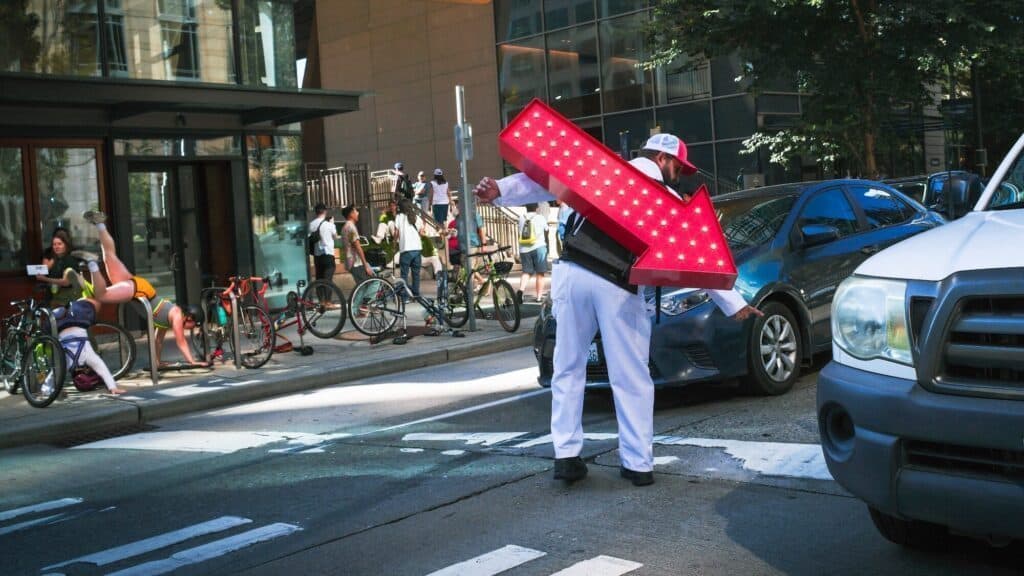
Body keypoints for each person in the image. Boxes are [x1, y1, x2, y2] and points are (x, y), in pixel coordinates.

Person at [473, 133, 763, 487]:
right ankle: (638, 464)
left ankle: (566, 456)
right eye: (678, 167)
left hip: (573, 273)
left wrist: (499, 190)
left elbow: (545, 180)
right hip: (618, 286)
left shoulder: (603, 170)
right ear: (663, 160)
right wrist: (735, 304)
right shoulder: (668, 200)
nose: (680, 175)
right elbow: (697, 261)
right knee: (631, 377)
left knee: (567, 368)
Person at [76, 210, 205, 366]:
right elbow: (181, 340)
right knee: (101, 295)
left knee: (109, 256)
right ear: (190, 318)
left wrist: (158, 363)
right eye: (194, 325)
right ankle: (92, 265)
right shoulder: (177, 315)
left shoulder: (167, 320)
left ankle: (100, 224)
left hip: (140, 288)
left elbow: (158, 341)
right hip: (140, 291)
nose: (192, 329)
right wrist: (193, 362)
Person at [48, 295, 127, 395]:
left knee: (91, 305)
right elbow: (53, 375)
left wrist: (112, 387)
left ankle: (84, 299)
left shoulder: (84, 357)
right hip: (64, 325)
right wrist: (48, 390)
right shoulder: (68, 363)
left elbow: (101, 368)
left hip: (76, 321)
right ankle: (79, 301)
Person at [35, 228, 81, 307]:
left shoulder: (70, 259)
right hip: (54, 298)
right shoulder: (55, 259)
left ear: (65, 245)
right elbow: (46, 272)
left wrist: (44, 279)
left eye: (59, 244)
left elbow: (66, 282)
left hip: (67, 300)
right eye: (54, 244)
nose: (56, 247)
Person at [517, 203, 549, 302]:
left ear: (526, 207)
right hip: (539, 247)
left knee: (526, 272)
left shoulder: (521, 218)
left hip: (524, 248)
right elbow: (546, 230)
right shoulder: (541, 217)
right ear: (537, 208)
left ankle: (521, 290)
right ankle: (539, 297)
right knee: (540, 273)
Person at [394, 199, 424, 300]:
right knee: (416, 274)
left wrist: (394, 242)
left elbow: (396, 233)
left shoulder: (399, 217)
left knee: (404, 275)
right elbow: (421, 232)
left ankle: (405, 297)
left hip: (406, 249)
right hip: (417, 249)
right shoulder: (416, 216)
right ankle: (416, 294)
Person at [341, 204, 372, 285]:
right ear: (351, 214)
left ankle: (356, 298)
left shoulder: (345, 227)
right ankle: (361, 298)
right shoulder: (351, 228)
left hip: (351, 261)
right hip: (356, 262)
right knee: (373, 284)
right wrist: (366, 265)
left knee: (361, 287)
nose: (358, 213)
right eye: (356, 211)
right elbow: (357, 247)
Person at [309, 203, 340, 284]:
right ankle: (327, 296)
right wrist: (332, 223)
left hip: (317, 256)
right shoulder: (329, 225)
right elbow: (335, 237)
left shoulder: (311, 225)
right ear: (325, 211)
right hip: (328, 254)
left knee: (319, 279)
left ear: (315, 212)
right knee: (328, 281)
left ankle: (321, 296)